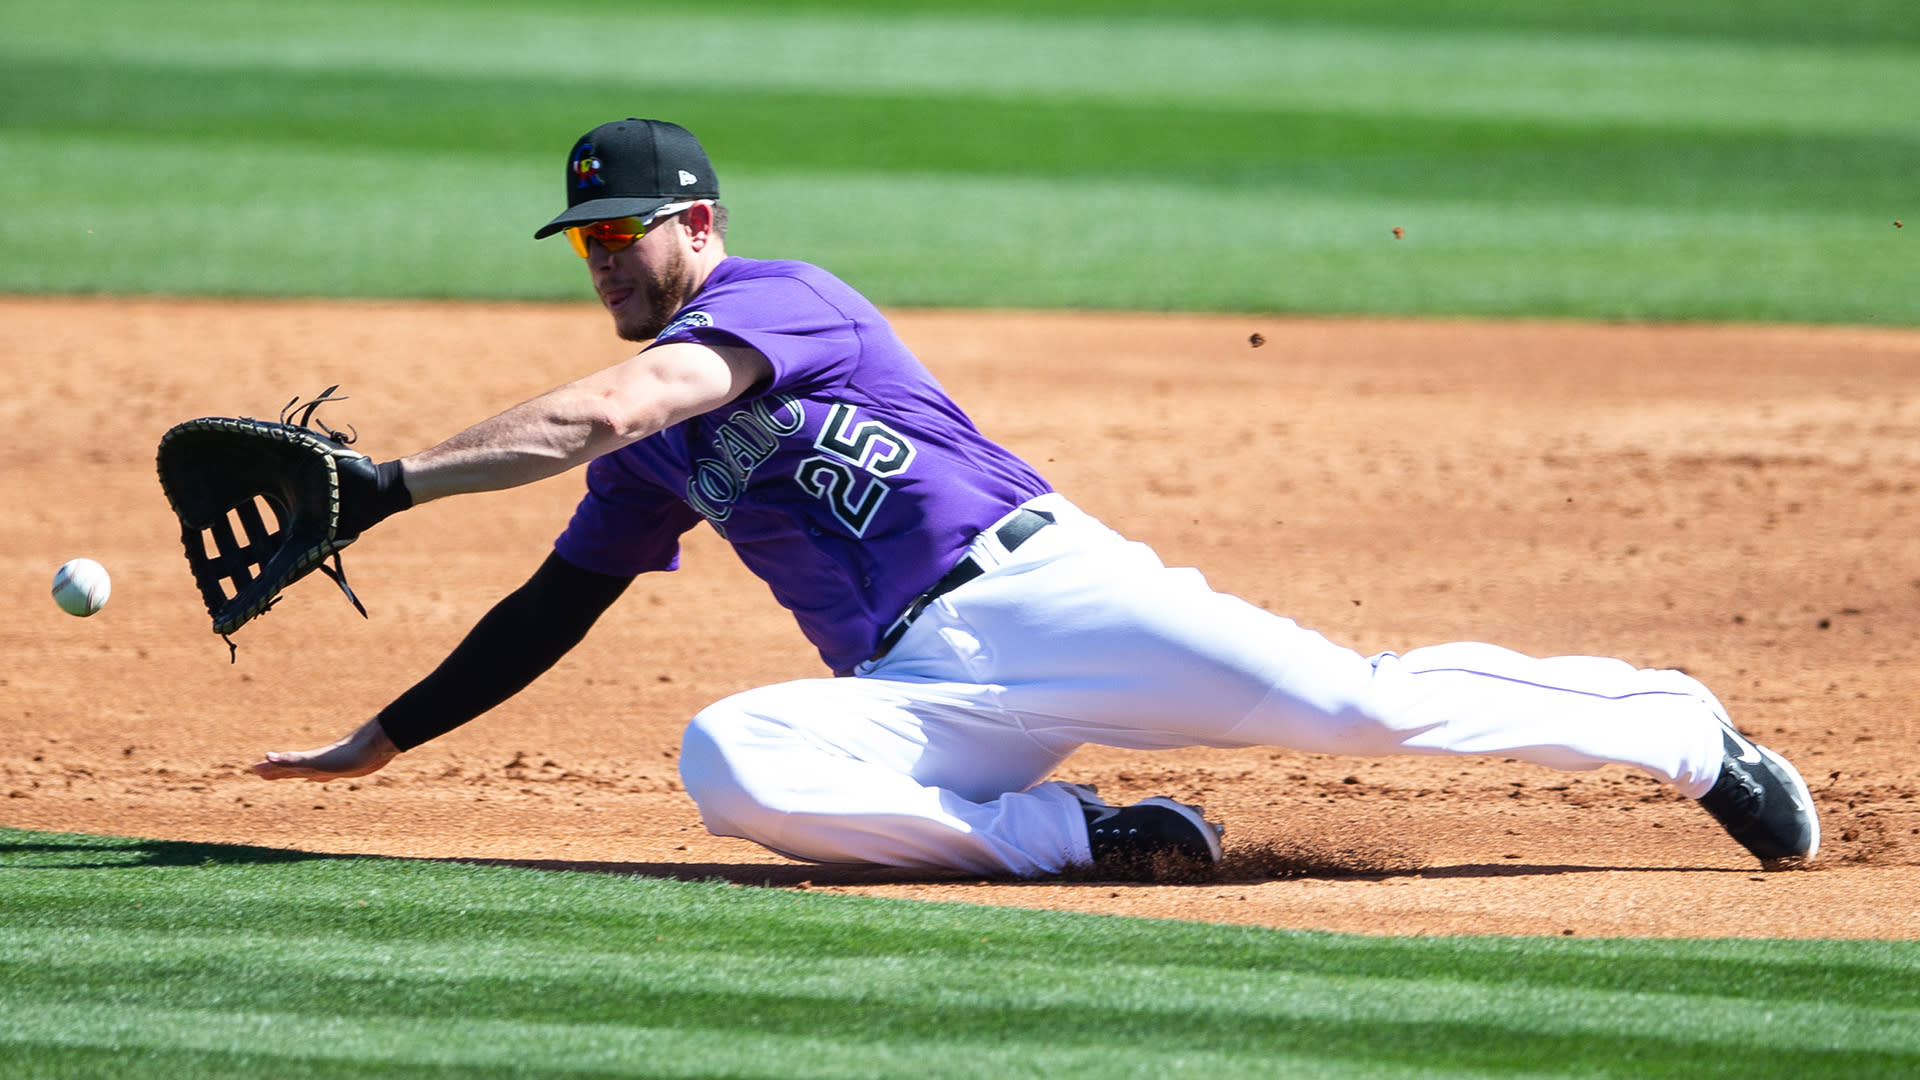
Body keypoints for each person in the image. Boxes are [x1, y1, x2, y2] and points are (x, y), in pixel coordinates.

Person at [252, 117, 1820, 875]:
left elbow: (619, 404)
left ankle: (1681, 730)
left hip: (1047, 593)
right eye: (585, 243)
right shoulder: (655, 454)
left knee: (1356, 710)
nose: (604, 260)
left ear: (701, 228)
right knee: (734, 760)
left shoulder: (787, 302)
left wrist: (388, 485)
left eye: (623, 234)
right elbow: (554, 607)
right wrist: (386, 739)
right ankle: (1090, 837)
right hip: (923, 690)